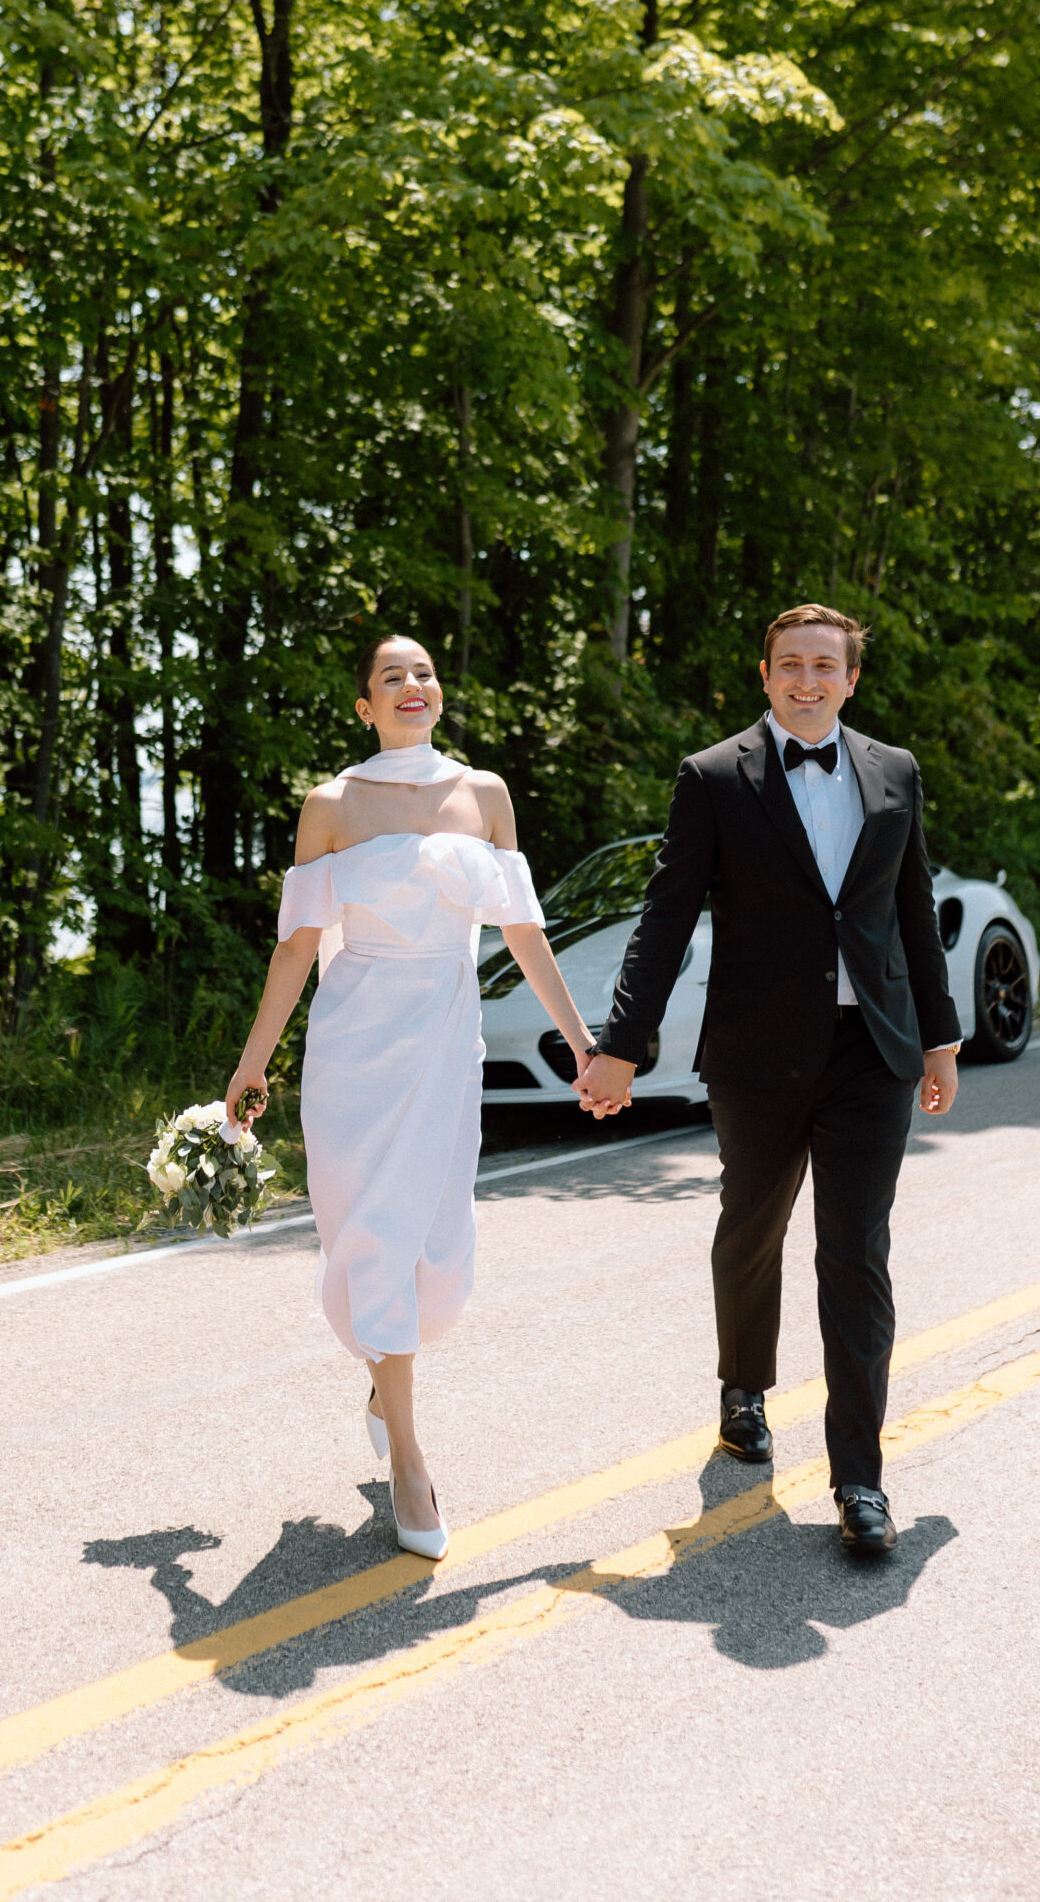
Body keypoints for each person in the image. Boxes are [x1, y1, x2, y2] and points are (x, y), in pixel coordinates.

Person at [573, 604, 961, 1557]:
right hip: (755, 1055)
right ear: (764, 673)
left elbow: (913, 912)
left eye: (823, 666)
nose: (806, 680)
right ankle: (743, 1386)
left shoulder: (895, 773)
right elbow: (664, 917)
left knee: (854, 1252)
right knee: (751, 1226)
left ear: (850, 678)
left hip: (871, 1051)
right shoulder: (711, 779)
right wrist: (622, 1042)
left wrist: (939, 1038)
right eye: (789, 664)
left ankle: (859, 1481)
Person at [224, 633, 598, 1560]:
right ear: (364, 706)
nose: (411, 685)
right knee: (374, 1233)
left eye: (423, 673)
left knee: (437, 1252)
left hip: (442, 1040)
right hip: (354, 1049)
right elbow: (297, 947)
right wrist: (252, 1061)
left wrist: (585, 1045)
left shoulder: (485, 794)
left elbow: (522, 932)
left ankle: (383, 1383)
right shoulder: (332, 806)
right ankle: (410, 1459)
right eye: (391, 676)